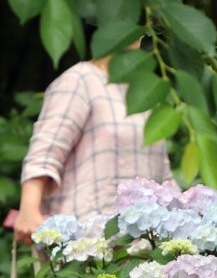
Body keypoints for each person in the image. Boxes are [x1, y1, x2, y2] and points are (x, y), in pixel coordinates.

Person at [15, 39, 173, 245]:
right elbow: (45, 152)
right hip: (85, 247)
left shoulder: (146, 92)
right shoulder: (80, 80)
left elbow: (163, 177)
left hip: (143, 252)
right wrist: (28, 210)